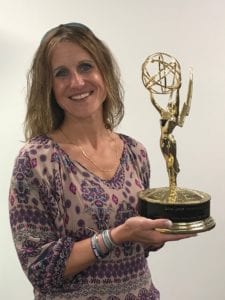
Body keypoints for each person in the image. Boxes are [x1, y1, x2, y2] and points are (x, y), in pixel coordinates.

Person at [8, 23, 195, 300]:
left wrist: (155, 233)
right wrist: (117, 235)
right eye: (61, 73)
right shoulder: (37, 160)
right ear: (49, 87)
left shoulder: (135, 152)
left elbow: (138, 248)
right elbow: (40, 268)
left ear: (104, 73)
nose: (77, 82)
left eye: (85, 67)